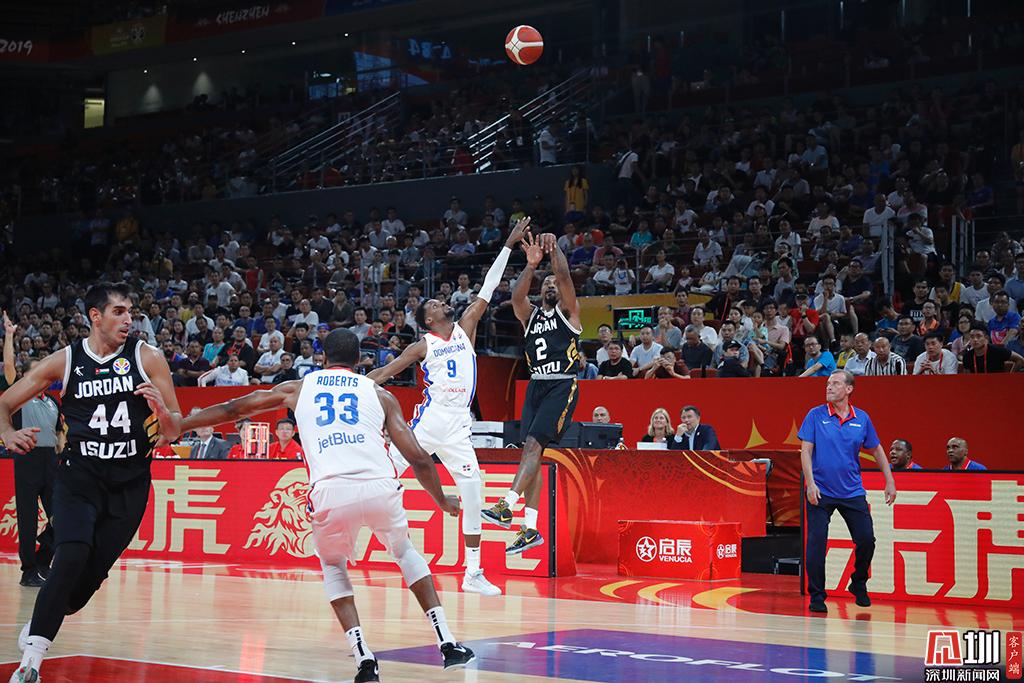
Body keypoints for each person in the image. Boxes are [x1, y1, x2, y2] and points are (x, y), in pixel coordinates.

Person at [174, 328, 474, 682]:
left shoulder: (298, 388)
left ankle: (364, 658)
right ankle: (447, 642)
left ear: (323, 358)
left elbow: (234, 408)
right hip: (379, 485)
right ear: (359, 360)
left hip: (331, 491)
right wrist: (442, 499)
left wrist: (181, 424)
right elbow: (419, 458)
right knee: (405, 552)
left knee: (333, 566)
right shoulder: (379, 393)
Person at [0, 283, 182, 683]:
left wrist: (161, 411)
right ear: (95, 316)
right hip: (79, 475)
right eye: (119, 311)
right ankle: (31, 662)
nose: (128, 319)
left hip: (130, 481)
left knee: (83, 585)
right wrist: (7, 433)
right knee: (71, 554)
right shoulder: (65, 361)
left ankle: (43, 619)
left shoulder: (147, 357)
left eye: (130, 312)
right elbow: (5, 402)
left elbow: (175, 431)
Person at [367, 219, 530, 595]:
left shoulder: (466, 326)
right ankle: (343, 516)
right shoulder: (422, 345)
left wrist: (508, 244)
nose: (444, 301)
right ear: (429, 319)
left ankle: (473, 572)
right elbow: (385, 373)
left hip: (459, 425)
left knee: (473, 491)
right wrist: (349, 383)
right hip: (429, 421)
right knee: (383, 473)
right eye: (437, 303)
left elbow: (489, 286)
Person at [483, 231, 581, 555]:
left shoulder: (569, 312)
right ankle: (530, 529)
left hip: (561, 384)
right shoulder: (530, 316)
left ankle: (505, 506)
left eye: (554, 283)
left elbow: (564, 275)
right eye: (546, 283)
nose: (551, 285)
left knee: (533, 447)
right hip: (536, 385)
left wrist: (554, 251)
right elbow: (516, 298)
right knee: (532, 455)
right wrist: (531, 265)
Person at [799, 370, 896, 613]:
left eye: (835, 383)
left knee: (866, 540)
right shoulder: (815, 415)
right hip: (820, 491)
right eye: (827, 383)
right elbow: (805, 451)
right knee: (816, 543)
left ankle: (858, 581)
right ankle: (817, 596)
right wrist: (810, 483)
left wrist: (889, 480)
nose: (829, 387)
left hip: (852, 491)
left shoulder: (861, 418)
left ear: (849, 389)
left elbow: (877, 450)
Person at [3, 315, 60, 588]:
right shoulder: (21, 398)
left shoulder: (52, 402)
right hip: (27, 458)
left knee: (61, 516)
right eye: (37, 372)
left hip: (51, 460)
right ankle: (28, 570)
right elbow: (9, 366)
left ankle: (42, 560)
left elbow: (60, 434)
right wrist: (9, 335)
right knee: (27, 519)